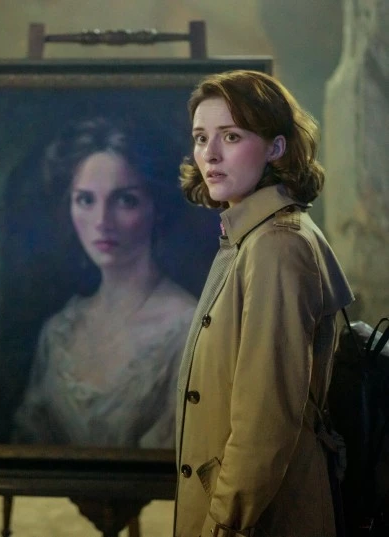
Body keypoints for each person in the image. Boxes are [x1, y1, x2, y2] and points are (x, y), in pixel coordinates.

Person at [174, 70, 354, 537]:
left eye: (231, 136)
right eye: (201, 137)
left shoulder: (277, 245)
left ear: (276, 148)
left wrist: (225, 523)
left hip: (262, 519)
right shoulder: (252, 237)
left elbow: (265, 419)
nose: (210, 154)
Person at [12, 116, 197, 449]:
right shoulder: (58, 331)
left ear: (157, 207)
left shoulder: (188, 328)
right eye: (86, 200)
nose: (101, 221)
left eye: (125, 200)